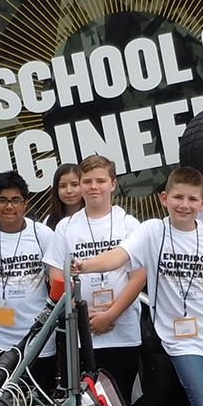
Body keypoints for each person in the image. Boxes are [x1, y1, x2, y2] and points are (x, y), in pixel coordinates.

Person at [75, 167, 203, 406]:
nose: (184, 205)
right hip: (180, 339)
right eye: (178, 198)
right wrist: (83, 265)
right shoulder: (153, 231)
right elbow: (118, 256)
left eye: (193, 199)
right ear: (164, 198)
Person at [44, 155, 145, 392]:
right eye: (87, 181)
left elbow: (139, 277)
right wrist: (82, 316)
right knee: (85, 405)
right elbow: (57, 278)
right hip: (81, 334)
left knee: (121, 405)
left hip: (123, 332)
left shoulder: (129, 224)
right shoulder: (66, 227)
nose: (93, 187)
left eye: (100, 180)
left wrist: (110, 315)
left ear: (113, 183)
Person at [0, 171, 57, 386]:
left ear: (26, 203)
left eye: (15, 200)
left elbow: (54, 279)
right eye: (2, 200)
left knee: (38, 398)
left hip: (39, 333)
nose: (9, 206)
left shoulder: (42, 234)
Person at [45, 163, 83, 229]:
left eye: (75, 185)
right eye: (62, 186)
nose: (69, 191)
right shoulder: (49, 221)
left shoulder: (94, 217)